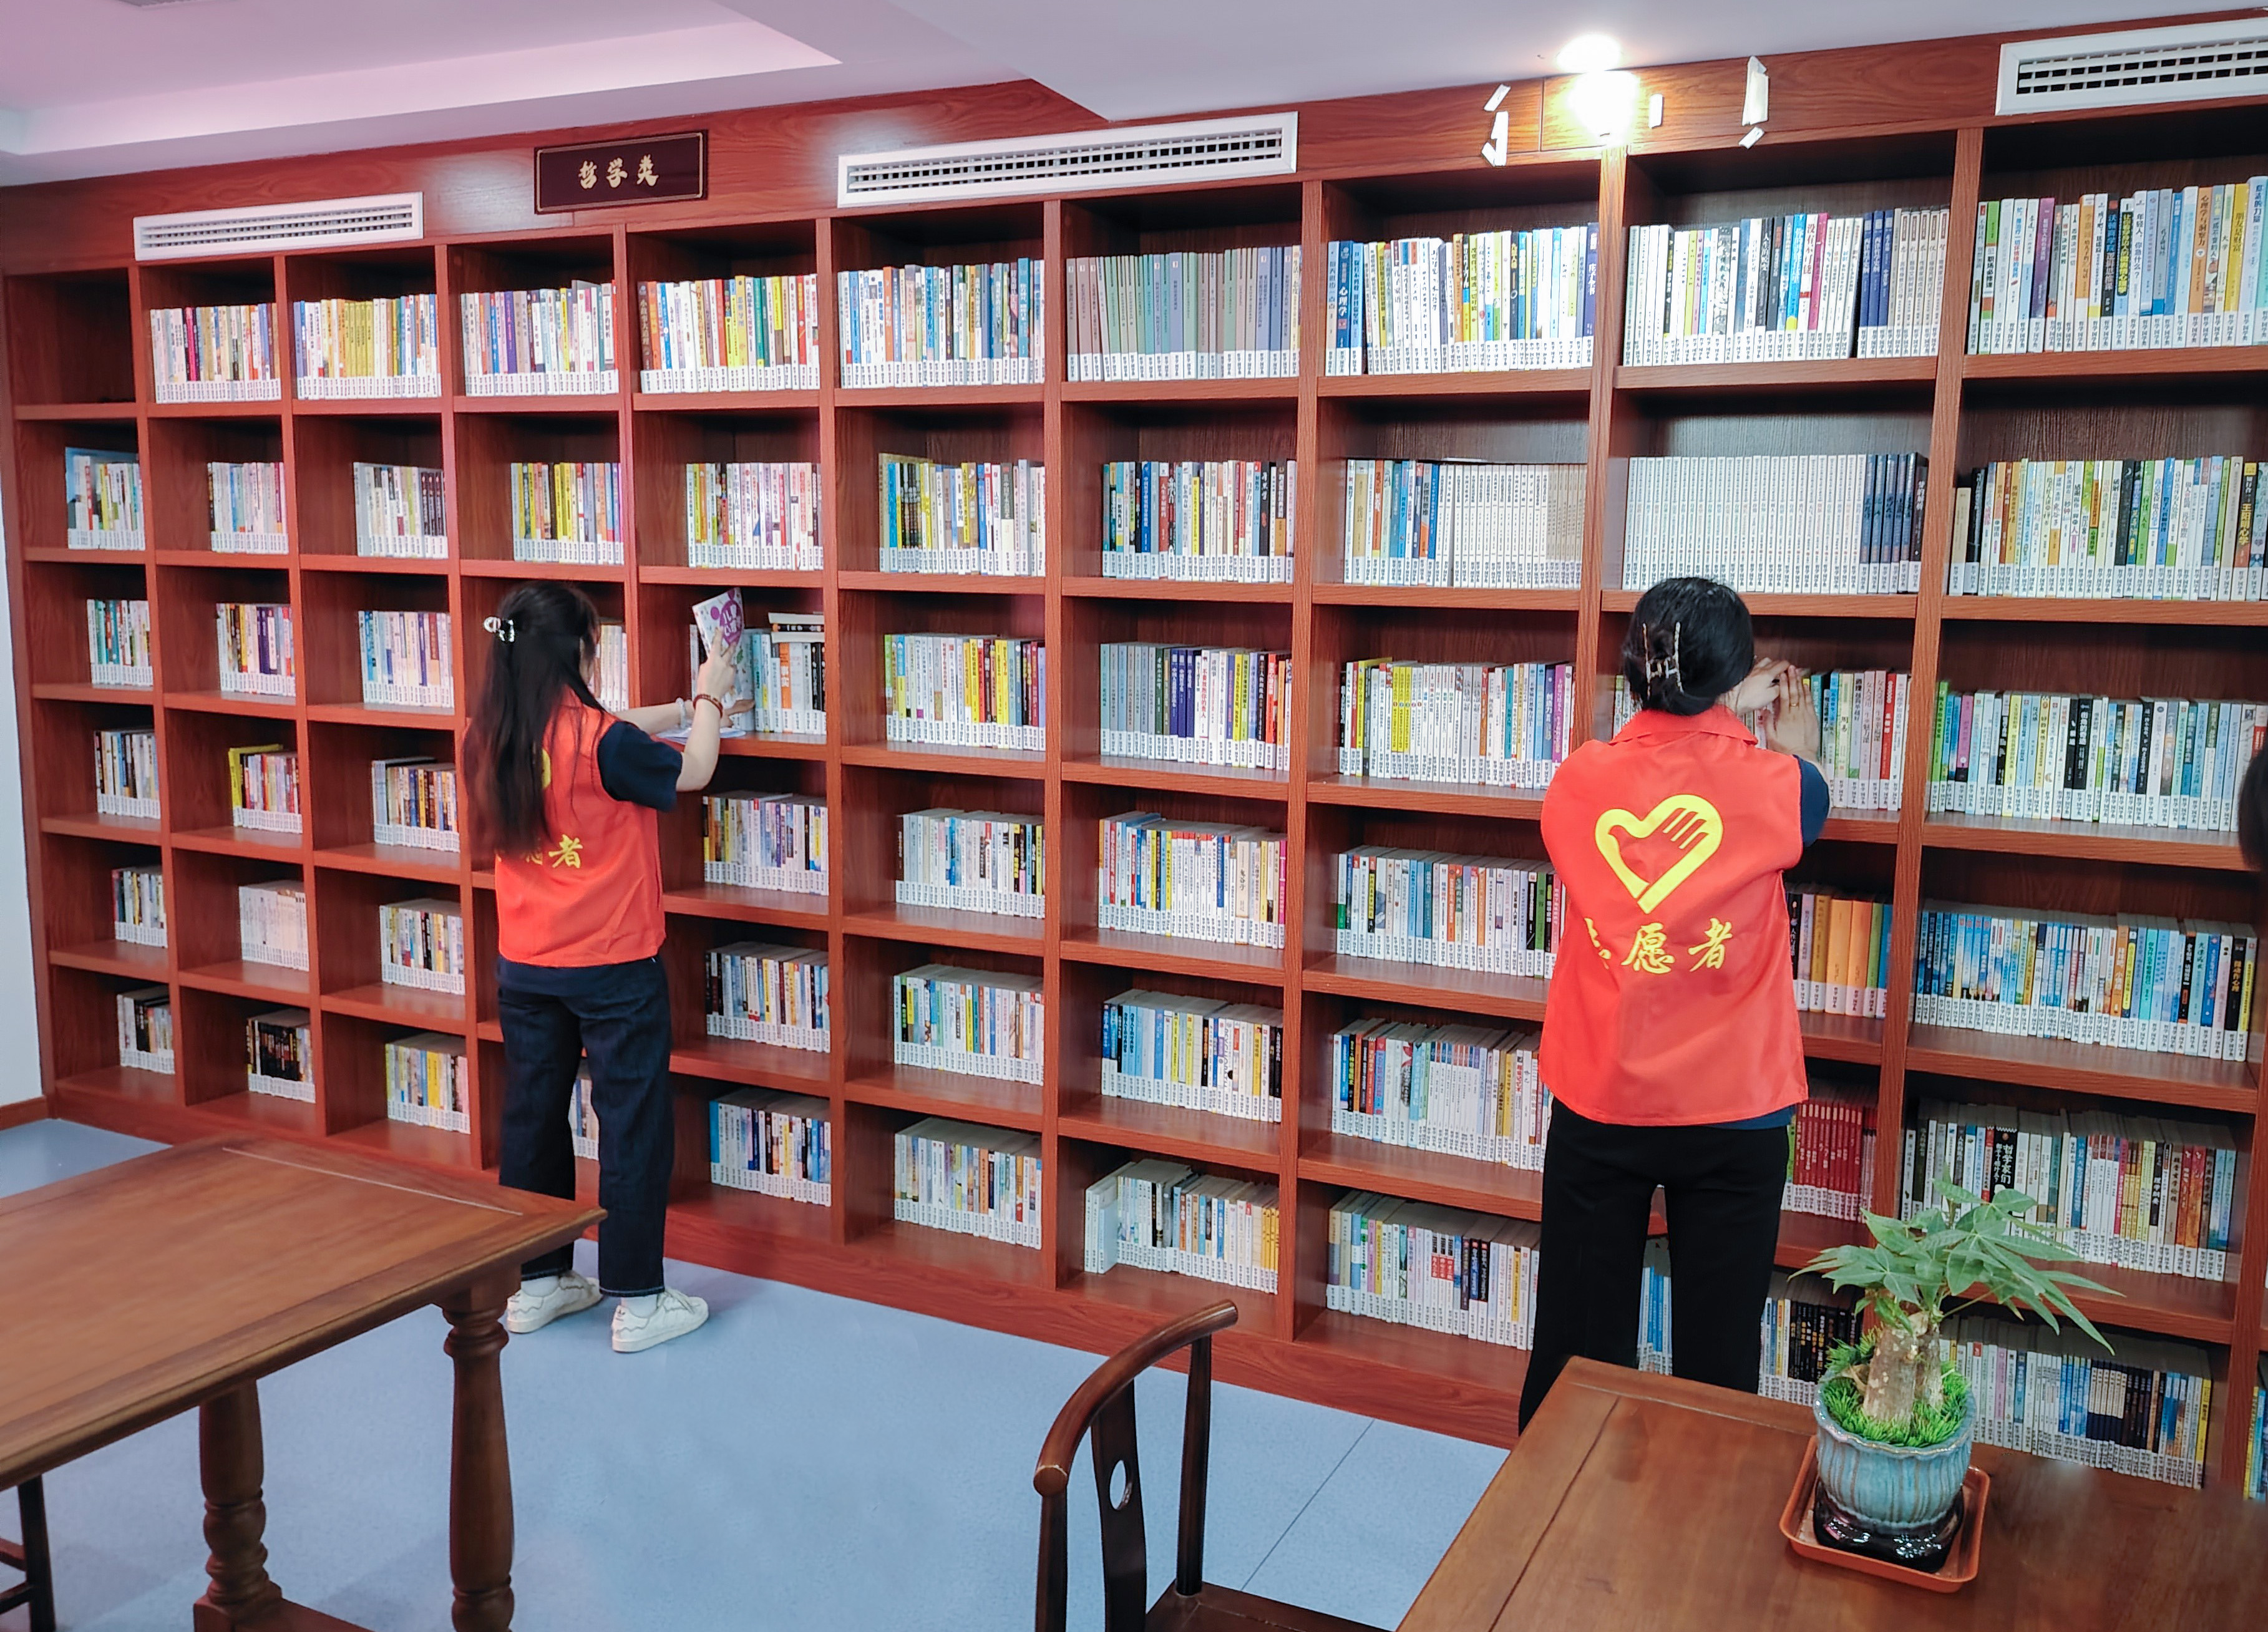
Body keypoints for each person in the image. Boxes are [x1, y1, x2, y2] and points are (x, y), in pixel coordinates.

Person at [1517, 576, 1828, 1427]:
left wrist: (1713, 706)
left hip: (1602, 1097)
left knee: (1574, 1350)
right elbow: (1808, 800)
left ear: (1631, 672)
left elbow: (1661, 757)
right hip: (1735, 1108)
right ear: (1729, 679)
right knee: (1717, 1363)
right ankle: (1704, 1503)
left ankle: (1557, 1495)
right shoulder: (1782, 786)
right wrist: (1786, 742)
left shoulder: (1575, 782)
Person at [465, 581, 742, 1353]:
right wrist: (710, 697)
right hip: (612, 965)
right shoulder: (601, 743)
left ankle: (538, 1282)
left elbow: (611, 729)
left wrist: (682, 708)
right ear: (578, 653)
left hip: (526, 964)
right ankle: (639, 1298)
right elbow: (693, 772)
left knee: (532, 1119)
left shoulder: (489, 731)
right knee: (631, 1124)